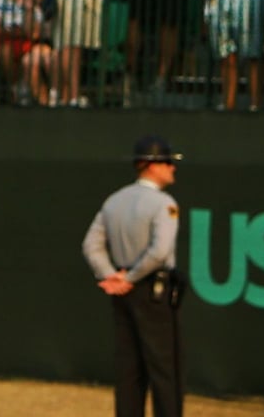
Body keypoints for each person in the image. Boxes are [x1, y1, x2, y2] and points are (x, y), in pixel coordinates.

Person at [82, 135, 185, 417]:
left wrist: (112, 276)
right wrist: (132, 277)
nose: (172, 168)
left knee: (129, 370)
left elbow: (91, 245)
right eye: (167, 162)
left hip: (123, 295)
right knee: (165, 369)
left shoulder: (114, 201)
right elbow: (160, 251)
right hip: (153, 291)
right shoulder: (163, 203)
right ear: (150, 165)